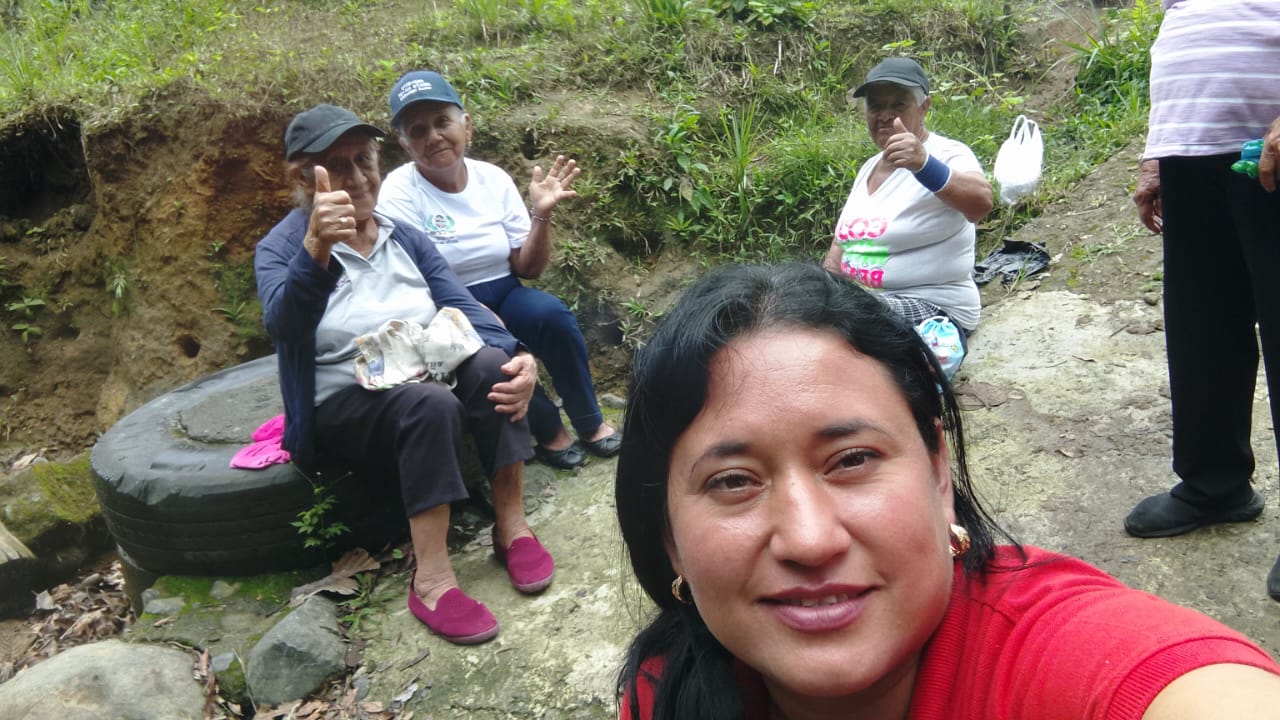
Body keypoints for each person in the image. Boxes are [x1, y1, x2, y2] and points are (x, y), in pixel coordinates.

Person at [614, 262, 1280, 720]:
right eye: (733, 480)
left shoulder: (1067, 660)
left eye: (852, 460)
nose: (810, 540)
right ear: (668, 535)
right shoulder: (669, 686)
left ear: (938, 471)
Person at [255, 103, 555, 645]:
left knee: (493, 366)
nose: (357, 178)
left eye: (364, 159)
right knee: (430, 403)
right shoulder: (281, 248)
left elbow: (460, 302)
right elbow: (285, 325)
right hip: (344, 401)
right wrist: (317, 248)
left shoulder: (403, 235)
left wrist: (519, 354)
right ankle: (432, 581)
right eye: (337, 166)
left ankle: (512, 527)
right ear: (303, 180)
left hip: (419, 371)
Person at [377, 70, 621, 470]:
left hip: (504, 288)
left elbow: (528, 267)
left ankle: (589, 420)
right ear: (405, 144)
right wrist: (486, 322)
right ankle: (548, 431)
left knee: (553, 316)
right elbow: (419, 277)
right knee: (496, 350)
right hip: (445, 307)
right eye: (418, 130)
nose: (434, 136)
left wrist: (541, 215)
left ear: (466, 126)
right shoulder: (398, 193)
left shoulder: (492, 179)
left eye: (442, 122)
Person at [1125, 0, 1280, 602]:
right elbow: (1185, 47)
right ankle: (1216, 484)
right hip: (1192, 159)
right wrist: (1158, 152)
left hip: (1272, 151)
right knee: (1203, 329)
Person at [821, 57, 992, 336]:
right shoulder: (869, 168)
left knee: (847, 313)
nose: (885, 115)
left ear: (924, 108)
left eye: (898, 105)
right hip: (870, 301)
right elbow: (841, 243)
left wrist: (923, 165)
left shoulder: (947, 153)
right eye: (876, 106)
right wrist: (822, 289)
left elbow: (980, 204)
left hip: (934, 308)